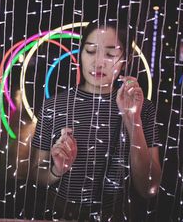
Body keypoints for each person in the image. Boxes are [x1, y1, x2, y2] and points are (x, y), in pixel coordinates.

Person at [28, 20, 162, 221]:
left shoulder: (143, 108)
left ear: (125, 60)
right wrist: (58, 169)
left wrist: (132, 118)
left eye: (110, 54)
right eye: (91, 51)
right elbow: (36, 173)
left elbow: (149, 188)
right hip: (61, 214)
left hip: (116, 214)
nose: (98, 62)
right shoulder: (53, 106)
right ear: (80, 54)